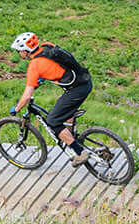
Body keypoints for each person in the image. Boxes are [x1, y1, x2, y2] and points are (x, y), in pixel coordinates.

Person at [9, 31, 93, 166]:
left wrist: (17, 108)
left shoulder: (34, 66)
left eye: (20, 51)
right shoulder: (47, 46)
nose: (19, 53)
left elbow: (27, 96)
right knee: (64, 111)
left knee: (53, 121)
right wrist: (42, 77)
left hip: (77, 90)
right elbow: (56, 63)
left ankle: (80, 152)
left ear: (26, 51)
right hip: (85, 80)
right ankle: (70, 136)